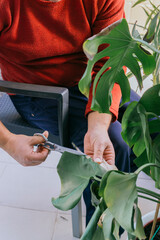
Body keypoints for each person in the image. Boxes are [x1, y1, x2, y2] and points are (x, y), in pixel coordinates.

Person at [0, 0, 140, 225]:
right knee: (113, 146)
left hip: (95, 76)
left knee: (151, 125)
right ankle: (103, 230)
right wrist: (7, 142)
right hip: (38, 90)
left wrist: (97, 125)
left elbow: (110, 62)